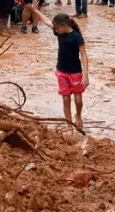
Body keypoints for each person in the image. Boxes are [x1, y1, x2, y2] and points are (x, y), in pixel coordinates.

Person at [29, 7, 88, 135]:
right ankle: (69, 126)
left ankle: (78, 115)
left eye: (56, 27)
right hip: (61, 71)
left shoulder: (76, 36)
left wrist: (86, 75)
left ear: (63, 26)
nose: (54, 29)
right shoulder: (59, 33)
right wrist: (35, 10)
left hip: (75, 73)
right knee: (66, 99)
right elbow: (47, 21)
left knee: (78, 100)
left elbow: (83, 54)